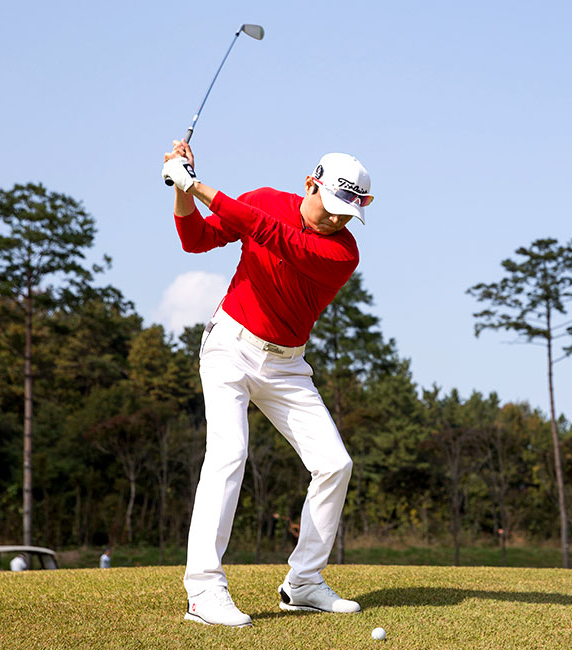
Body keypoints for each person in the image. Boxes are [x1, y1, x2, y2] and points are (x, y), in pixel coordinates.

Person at [161, 140, 372, 628]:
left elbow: (272, 235)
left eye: (347, 214)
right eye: (331, 207)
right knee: (229, 453)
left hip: (287, 366)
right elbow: (195, 239)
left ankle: (304, 583)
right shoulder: (262, 200)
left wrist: (197, 184)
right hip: (229, 346)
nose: (336, 220)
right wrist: (181, 187)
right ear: (310, 184)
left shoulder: (342, 253)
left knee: (334, 464)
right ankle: (203, 590)